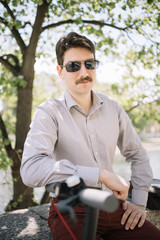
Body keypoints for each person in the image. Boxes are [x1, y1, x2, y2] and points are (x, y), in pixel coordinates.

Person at [20, 32, 160, 240]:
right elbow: (31, 169)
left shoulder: (113, 108)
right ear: (60, 71)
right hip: (71, 208)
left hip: (114, 206)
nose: (83, 71)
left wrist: (139, 202)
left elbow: (137, 154)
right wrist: (100, 175)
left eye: (89, 64)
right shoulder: (49, 112)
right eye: (73, 66)